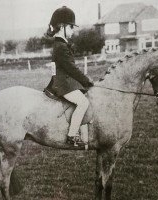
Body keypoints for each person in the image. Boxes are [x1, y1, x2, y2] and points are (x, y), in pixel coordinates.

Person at [45, 6, 94, 146]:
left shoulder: (61, 44)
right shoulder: (61, 46)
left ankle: (84, 135)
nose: (73, 31)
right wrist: (86, 80)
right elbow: (71, 68)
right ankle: (72, 135)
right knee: (83, 102)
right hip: (63, 83)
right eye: (71, 27)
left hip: (65, 81)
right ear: (62, 27)